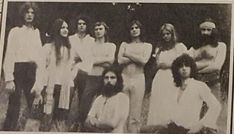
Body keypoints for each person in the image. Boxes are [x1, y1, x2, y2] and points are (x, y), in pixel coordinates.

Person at [141, 54, 221, 134]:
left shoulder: (199, 86)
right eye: (181, 66)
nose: (184, 68)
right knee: (143, 130)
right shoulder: (173, 87)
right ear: (176, 70)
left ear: (192, 68)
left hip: (189, 129)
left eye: (187, 66)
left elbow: (216, 106)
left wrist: (200, 125)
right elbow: (167, 109)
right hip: (172, 128)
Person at [3, 2, 44, 131]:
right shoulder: (15, 31)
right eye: (27, 12)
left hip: (32, 70)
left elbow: (40, 58)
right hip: (18, 69)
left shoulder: (37, 32)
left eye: (32, 13)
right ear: (23, 14)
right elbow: (9, 54)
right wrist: (9, 78)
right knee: (14, 103)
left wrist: (39, 82)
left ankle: (34, 129)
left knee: (36, 102)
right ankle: (8, 130)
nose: (30, 15)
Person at [76, 21, 116, 131]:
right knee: (85, 103)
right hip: (91, 77)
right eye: (96, 29)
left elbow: (111, 61)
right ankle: (83, 127)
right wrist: (104, 59)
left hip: (104, 79)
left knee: (104, 103)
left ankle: (102, 128)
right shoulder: (90, 45)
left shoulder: (111, 45)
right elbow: (88, 61)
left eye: (100, 29)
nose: (98, 31)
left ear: (105, 31)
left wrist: (95, 60)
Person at [147, 23, 187, 126]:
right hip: (160, 78)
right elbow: (157, 65)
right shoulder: (159, 49)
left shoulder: (180, 47)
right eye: (163, 34)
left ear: (172, 34)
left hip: (173, 77)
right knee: (159, 104)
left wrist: (170, 65)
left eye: (168, 34)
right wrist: (159, 65)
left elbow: (185, 63)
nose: (165, 36)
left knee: (172, 102)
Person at [39, 18, 74, 131]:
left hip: (63, 85)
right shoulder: (48, 47)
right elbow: (41, 67)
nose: (66, 30)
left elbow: (74, 65)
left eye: (67, 28)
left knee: (59, 116)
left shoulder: (69, 49)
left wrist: (71, 78)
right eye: (63, 27)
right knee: (46, 113)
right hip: (49, 84)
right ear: (57, 29)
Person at [118, 20, 152, 133]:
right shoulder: (124, 44)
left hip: (138, 78)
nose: (134, 30)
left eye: (136, 27)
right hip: (124, 78)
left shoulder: (147, 45)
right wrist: (136, 57)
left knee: (135, 112)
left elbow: (143, 61)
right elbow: (119, 61)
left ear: (141, 30)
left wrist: (127, 54)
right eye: (132, 28)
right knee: (123, 110)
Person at [188, 18, 226, 103]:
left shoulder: (221, 46)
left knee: (214, 108)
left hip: (213, 83)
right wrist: (208, 63)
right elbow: (187, 64)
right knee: (195, 110)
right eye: (203, 30)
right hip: (196, 83)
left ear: (214, 31)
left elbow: (217, 66)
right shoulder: (194, 48)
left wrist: (196, 69)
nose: (205, 32)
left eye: (209, 30)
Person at [68, 14, 95, 130]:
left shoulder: (92, 40)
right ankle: (62, 120)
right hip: (72, 70)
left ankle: (81, 124)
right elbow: (69, 55)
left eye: (84, 24)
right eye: (79, 24)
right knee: (67, 95)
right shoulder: (71, 39)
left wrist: (80, 57)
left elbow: (89, 58)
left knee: (83, 98)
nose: (81, 26)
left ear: (87, 26)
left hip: (86, 71)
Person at [84, 67, 129, 133]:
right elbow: (86, 122)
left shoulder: (122, 98)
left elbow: (112, 124)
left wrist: (96, 122)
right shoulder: (99, 98)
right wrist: (101, 131)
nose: (109, 80)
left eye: (112, 78)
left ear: (118, 80)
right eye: (106, 78)